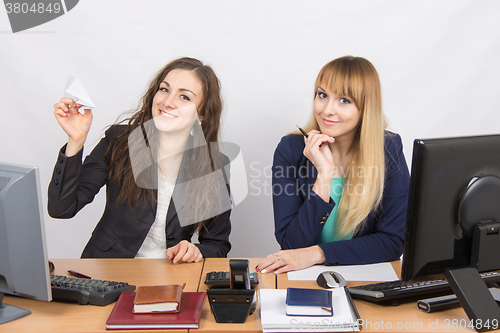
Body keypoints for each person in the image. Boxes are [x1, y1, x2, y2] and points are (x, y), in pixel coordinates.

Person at [48, 57, 231, 262]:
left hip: (170, 277)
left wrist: (197, 251)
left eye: (184, 97)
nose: (168, 102)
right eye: (164, 89)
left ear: (202, 113)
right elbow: (61, 208)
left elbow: (217, 244)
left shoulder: (214, 164)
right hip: (108, 271)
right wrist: (75, 141)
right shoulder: (119, 140)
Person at [257, 56, 410, 274]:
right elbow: (291, 244)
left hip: (363, 275)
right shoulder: (291, 149)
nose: (327, 110)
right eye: (322, 95)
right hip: (306, 278)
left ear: (365, 107)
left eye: (344, 100)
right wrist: (324, 174)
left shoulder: (388, 149)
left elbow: (393, 241)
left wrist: (318, 254)